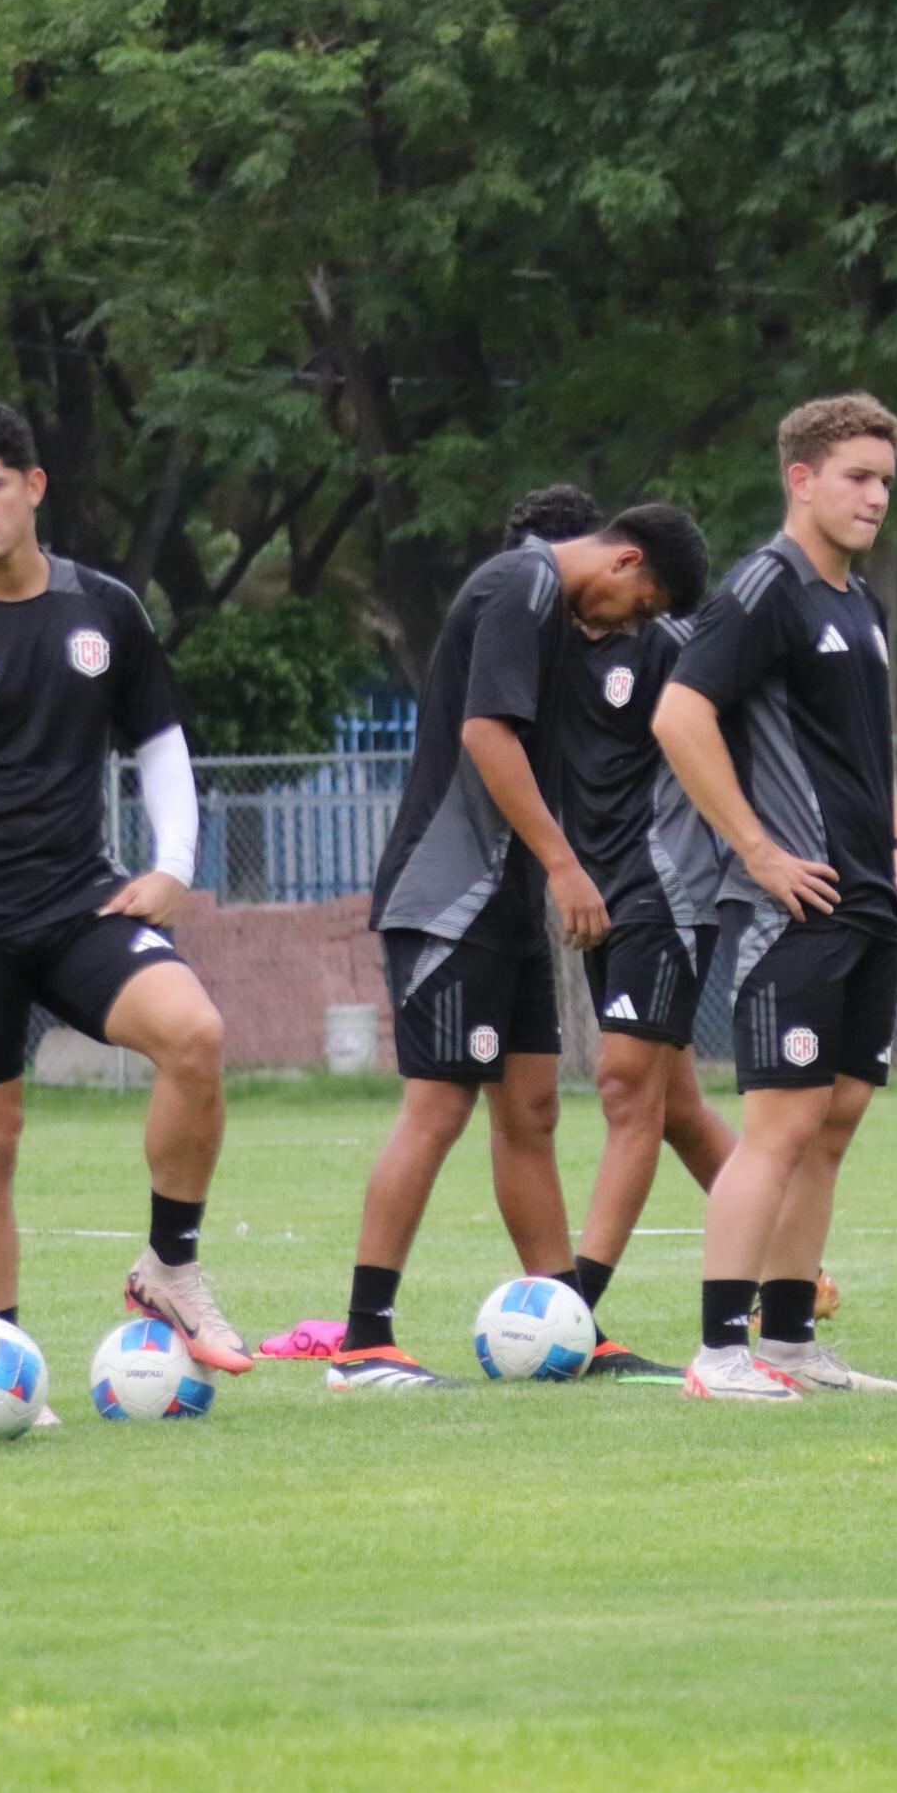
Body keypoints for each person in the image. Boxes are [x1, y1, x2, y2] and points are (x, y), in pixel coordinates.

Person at [0, 403, 251, 1395]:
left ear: (33, 487)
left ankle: (169, 1268)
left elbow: (159, 742)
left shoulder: (106, 609)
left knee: (194, 1034)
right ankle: (2, 1369)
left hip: (84, 902)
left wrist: (171, 862)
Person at [327, 494, 708, 1390]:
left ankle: (569, 1323)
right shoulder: (523, 583)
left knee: (531, 1108)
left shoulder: (549, 602)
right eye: (642, 605)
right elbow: (485, 735)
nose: (628, 625)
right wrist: (567, 866)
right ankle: (362, 1341)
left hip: (509, 900)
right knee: (439, 1106)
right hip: (450, 894)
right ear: (623, 563)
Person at [654, 392, 897, 1403]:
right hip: (791, 906)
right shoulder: (759, 590)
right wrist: (756, 852)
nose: (874, 497)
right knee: (777, 1122)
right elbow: (680, 718)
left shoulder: (858, 601)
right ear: (798, 478)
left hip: (863, 896)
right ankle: (720, 1349)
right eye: (856, 476)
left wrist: (894, 835)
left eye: (884, 480)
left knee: (835, 1115)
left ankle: (794, 1336)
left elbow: (871, 741)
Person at [518, 481, 743, 1379]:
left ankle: (573, 1308)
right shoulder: (536, 643)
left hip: (671, 890)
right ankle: (788, 1256)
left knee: (622, 1085)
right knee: (675, 1104)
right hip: (600, 898)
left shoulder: (674, 646)